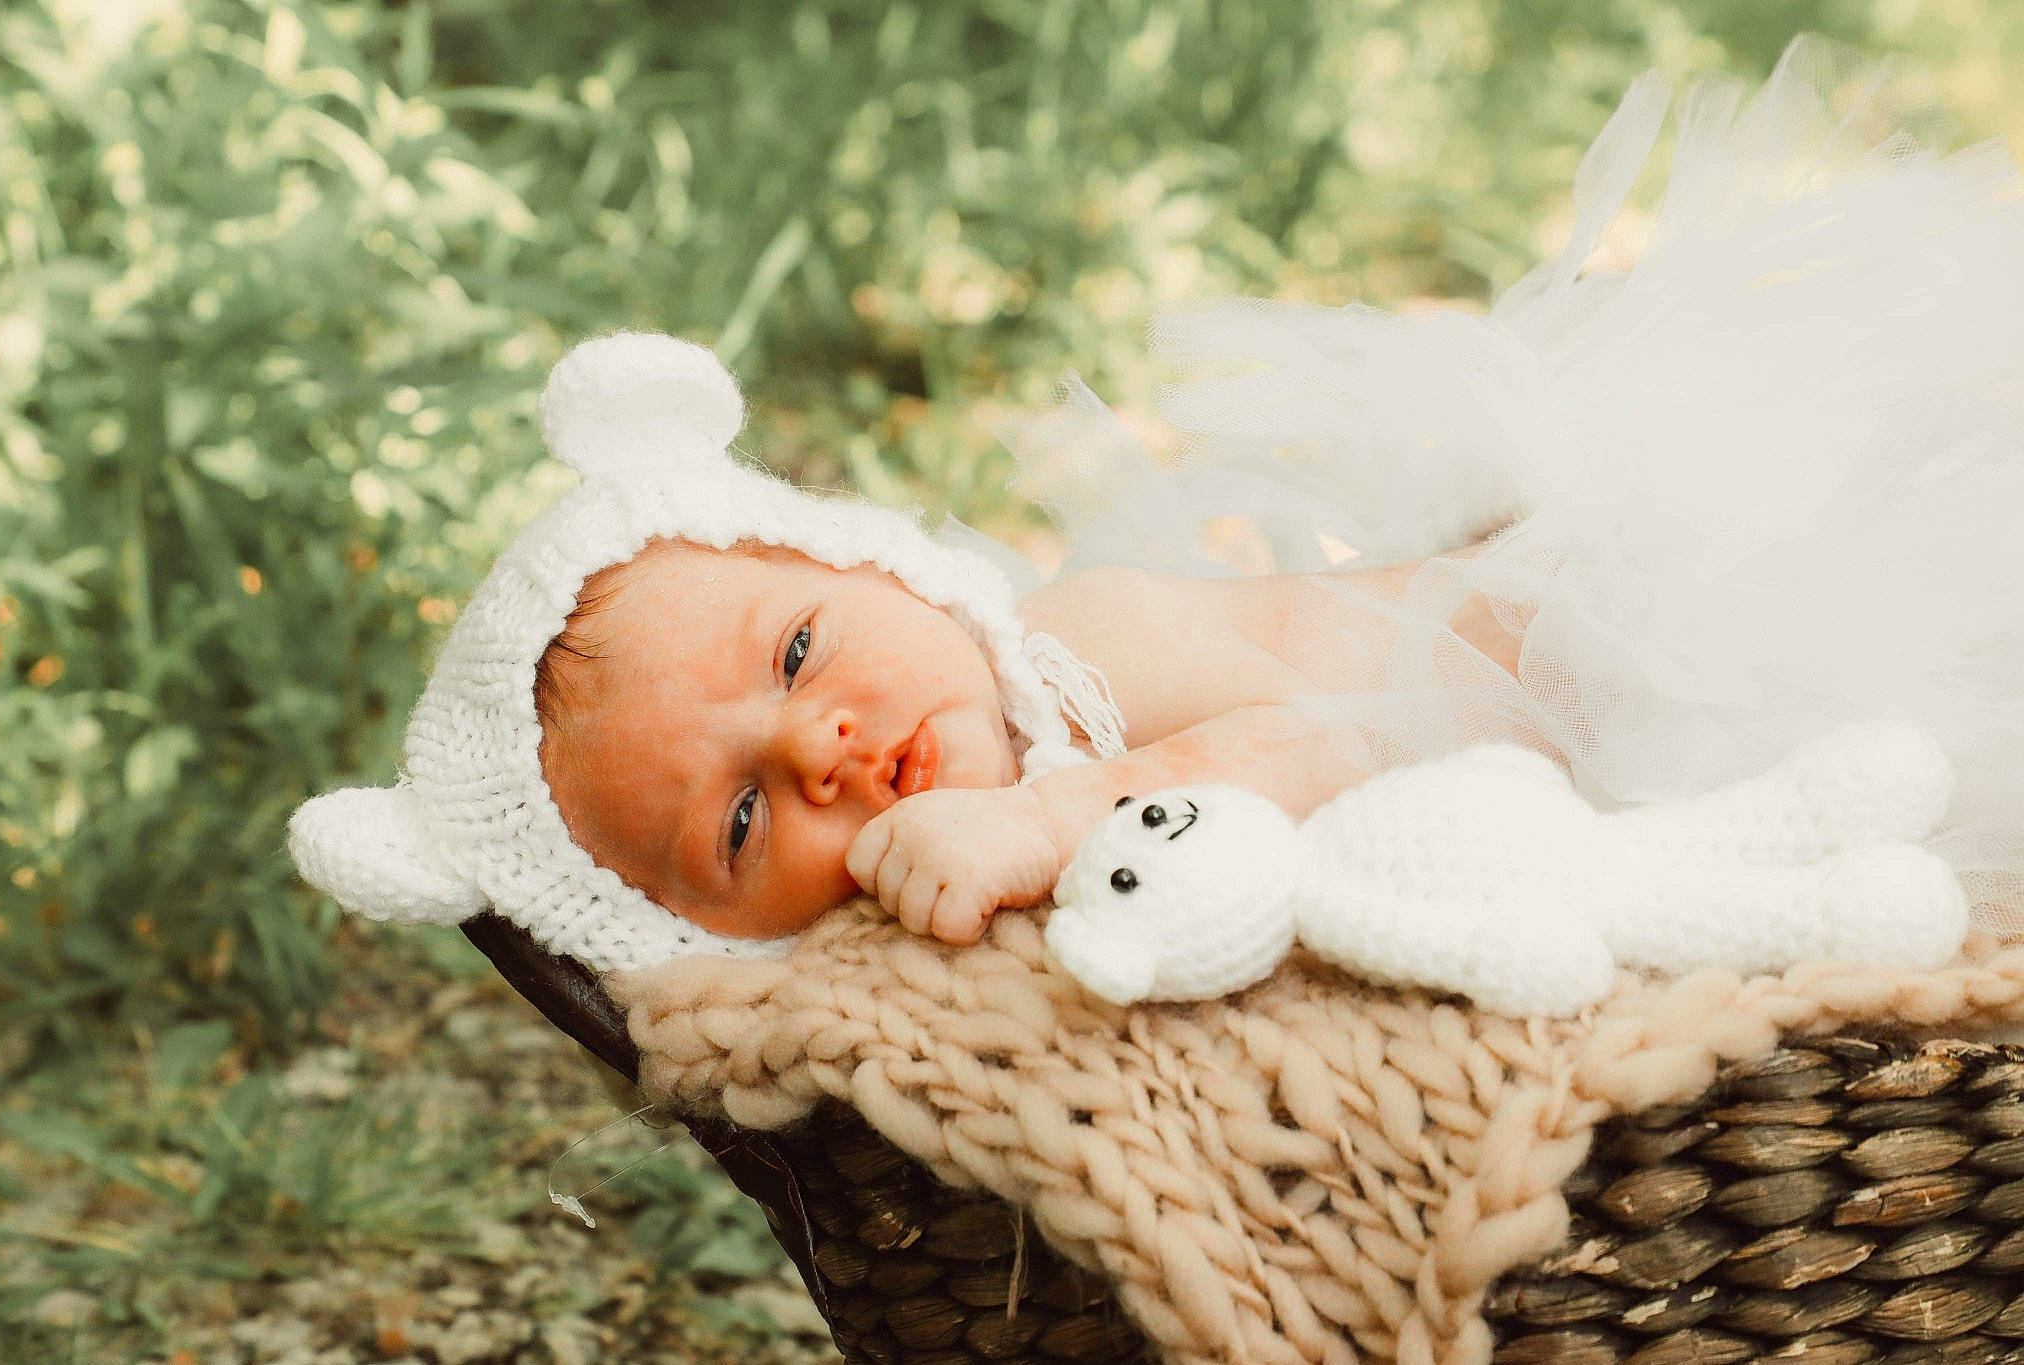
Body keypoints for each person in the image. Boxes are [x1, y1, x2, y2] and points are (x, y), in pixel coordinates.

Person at [290, 36, 2024, 983]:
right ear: (704, 933)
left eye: (799, 651)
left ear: (873, 566)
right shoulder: (922, 934)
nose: (820, 746)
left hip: (1641, 648)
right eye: (740, 819)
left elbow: (1339, 743)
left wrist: (1062, 816)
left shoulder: (1087, 655)